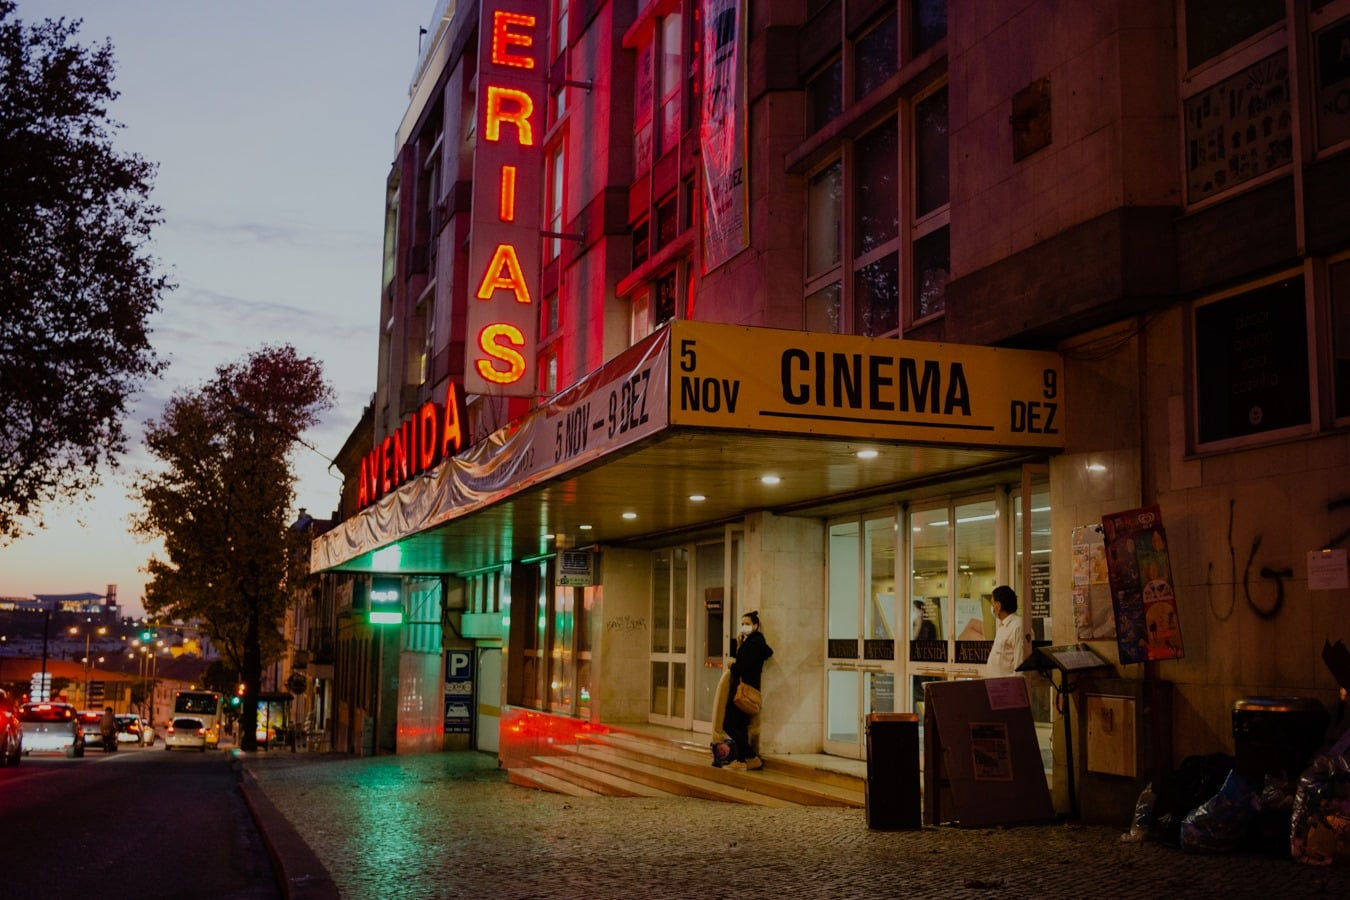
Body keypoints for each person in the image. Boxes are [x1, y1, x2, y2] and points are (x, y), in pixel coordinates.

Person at [723, 611, 773, 771]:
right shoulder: (750, 642)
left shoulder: (755, 643)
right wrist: (739, 646)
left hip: (744, 690)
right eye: (742, 624)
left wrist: (733, 666)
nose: (744, 627)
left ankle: (751, 756)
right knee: (740, 725)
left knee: (729, 724)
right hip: (745, 688)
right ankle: (742, 759)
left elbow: (745, 667)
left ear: (756, 626)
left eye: (747, 624)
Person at [984, 585, 1031, 677]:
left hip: (1007, 687)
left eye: (992, 603)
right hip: (995, 686)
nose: (992, 607)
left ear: (998, 606)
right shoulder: (1002, 627)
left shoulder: (1018, 627)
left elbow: (1020, 668)